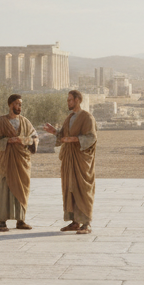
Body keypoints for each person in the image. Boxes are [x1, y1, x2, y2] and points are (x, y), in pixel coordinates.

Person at [43, 90, 96, 234]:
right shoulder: (69, 118)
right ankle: (75, 222)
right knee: (70, 188)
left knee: (82, 189)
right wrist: (54, 132)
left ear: (78, 100)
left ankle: (86, 224)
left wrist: (72, 139)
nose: (68, 102)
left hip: (80, 160)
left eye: (70, 100)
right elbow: (63, 136)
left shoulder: (87, 117)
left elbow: (91, 138)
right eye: (68, 100)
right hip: (68, 160)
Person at [0, 94, 35, 232]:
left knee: (21, 189)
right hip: (5, 161)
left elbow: (33, 138)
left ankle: (20, 220)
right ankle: (2, 222)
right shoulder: (1, 121)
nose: (19, 107)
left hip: (21, 161)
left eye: (21, 104)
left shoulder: (25, 122)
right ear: (10, 105)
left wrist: (22, 140)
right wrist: (8, 141)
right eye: (17, 104)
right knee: (4, 189)